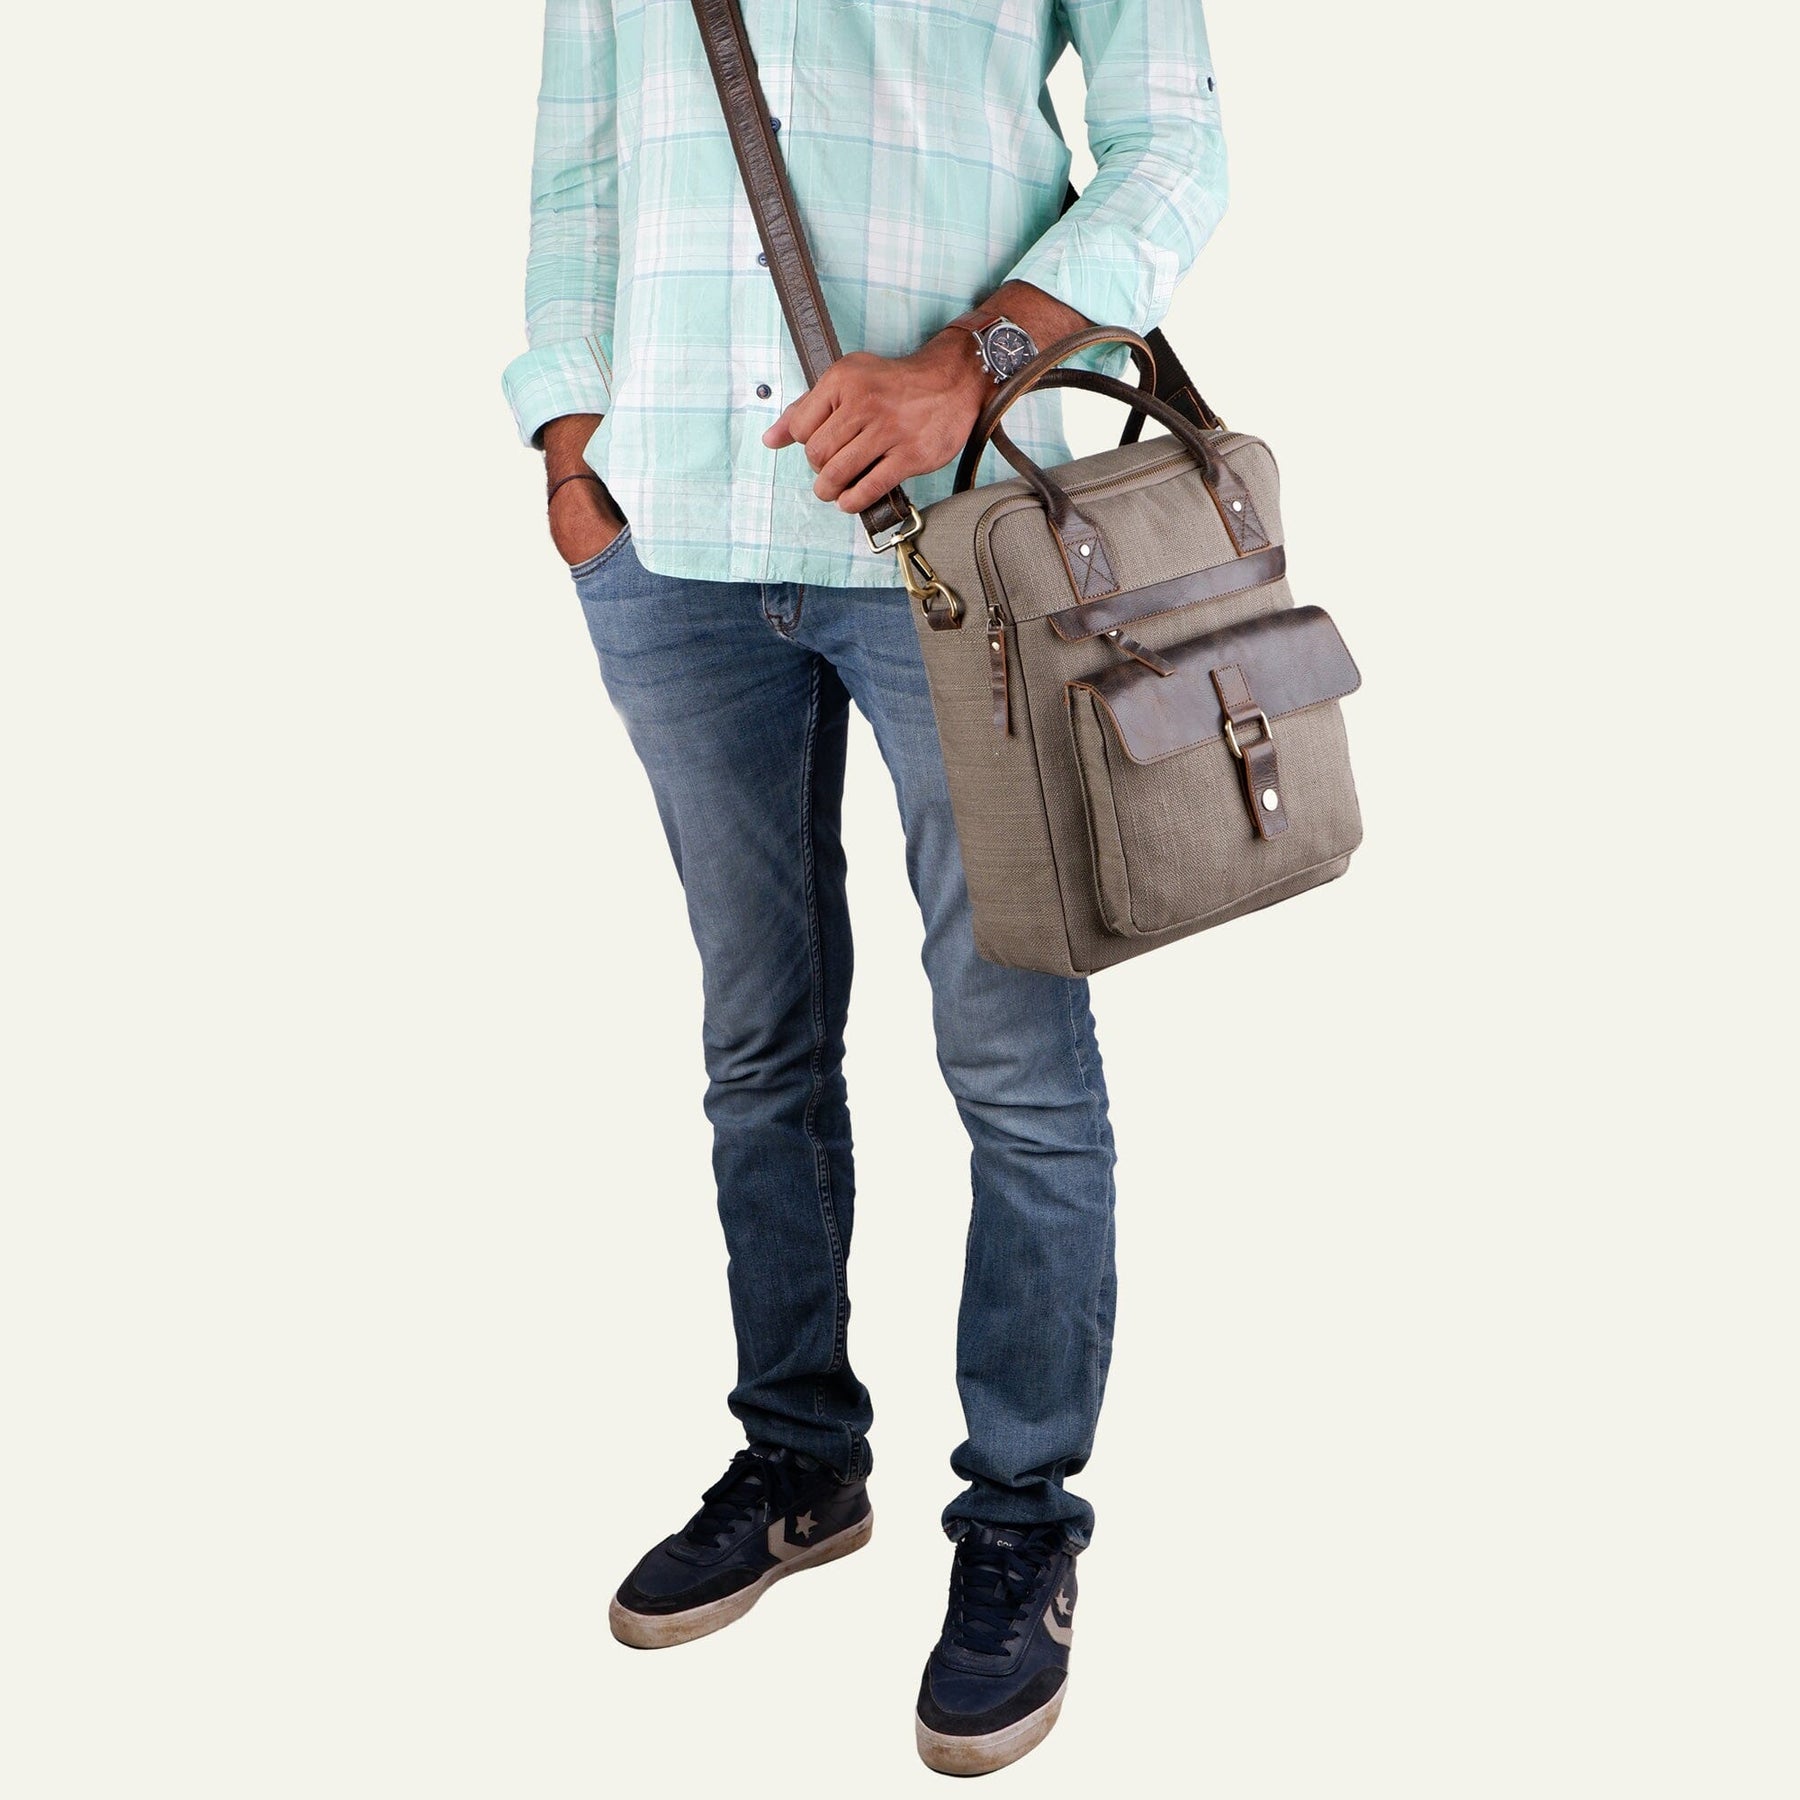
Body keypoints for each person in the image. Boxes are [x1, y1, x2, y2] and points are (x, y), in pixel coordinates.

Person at [502, 0, 1227, 1775]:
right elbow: (582, 176)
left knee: (1014, 1057)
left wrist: (974, 359)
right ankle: (800, 1461)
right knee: (757, 1039)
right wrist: (573, 454)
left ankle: (1021, 1521)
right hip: (671, 541)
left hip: (964, 534)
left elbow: (1174, 146)